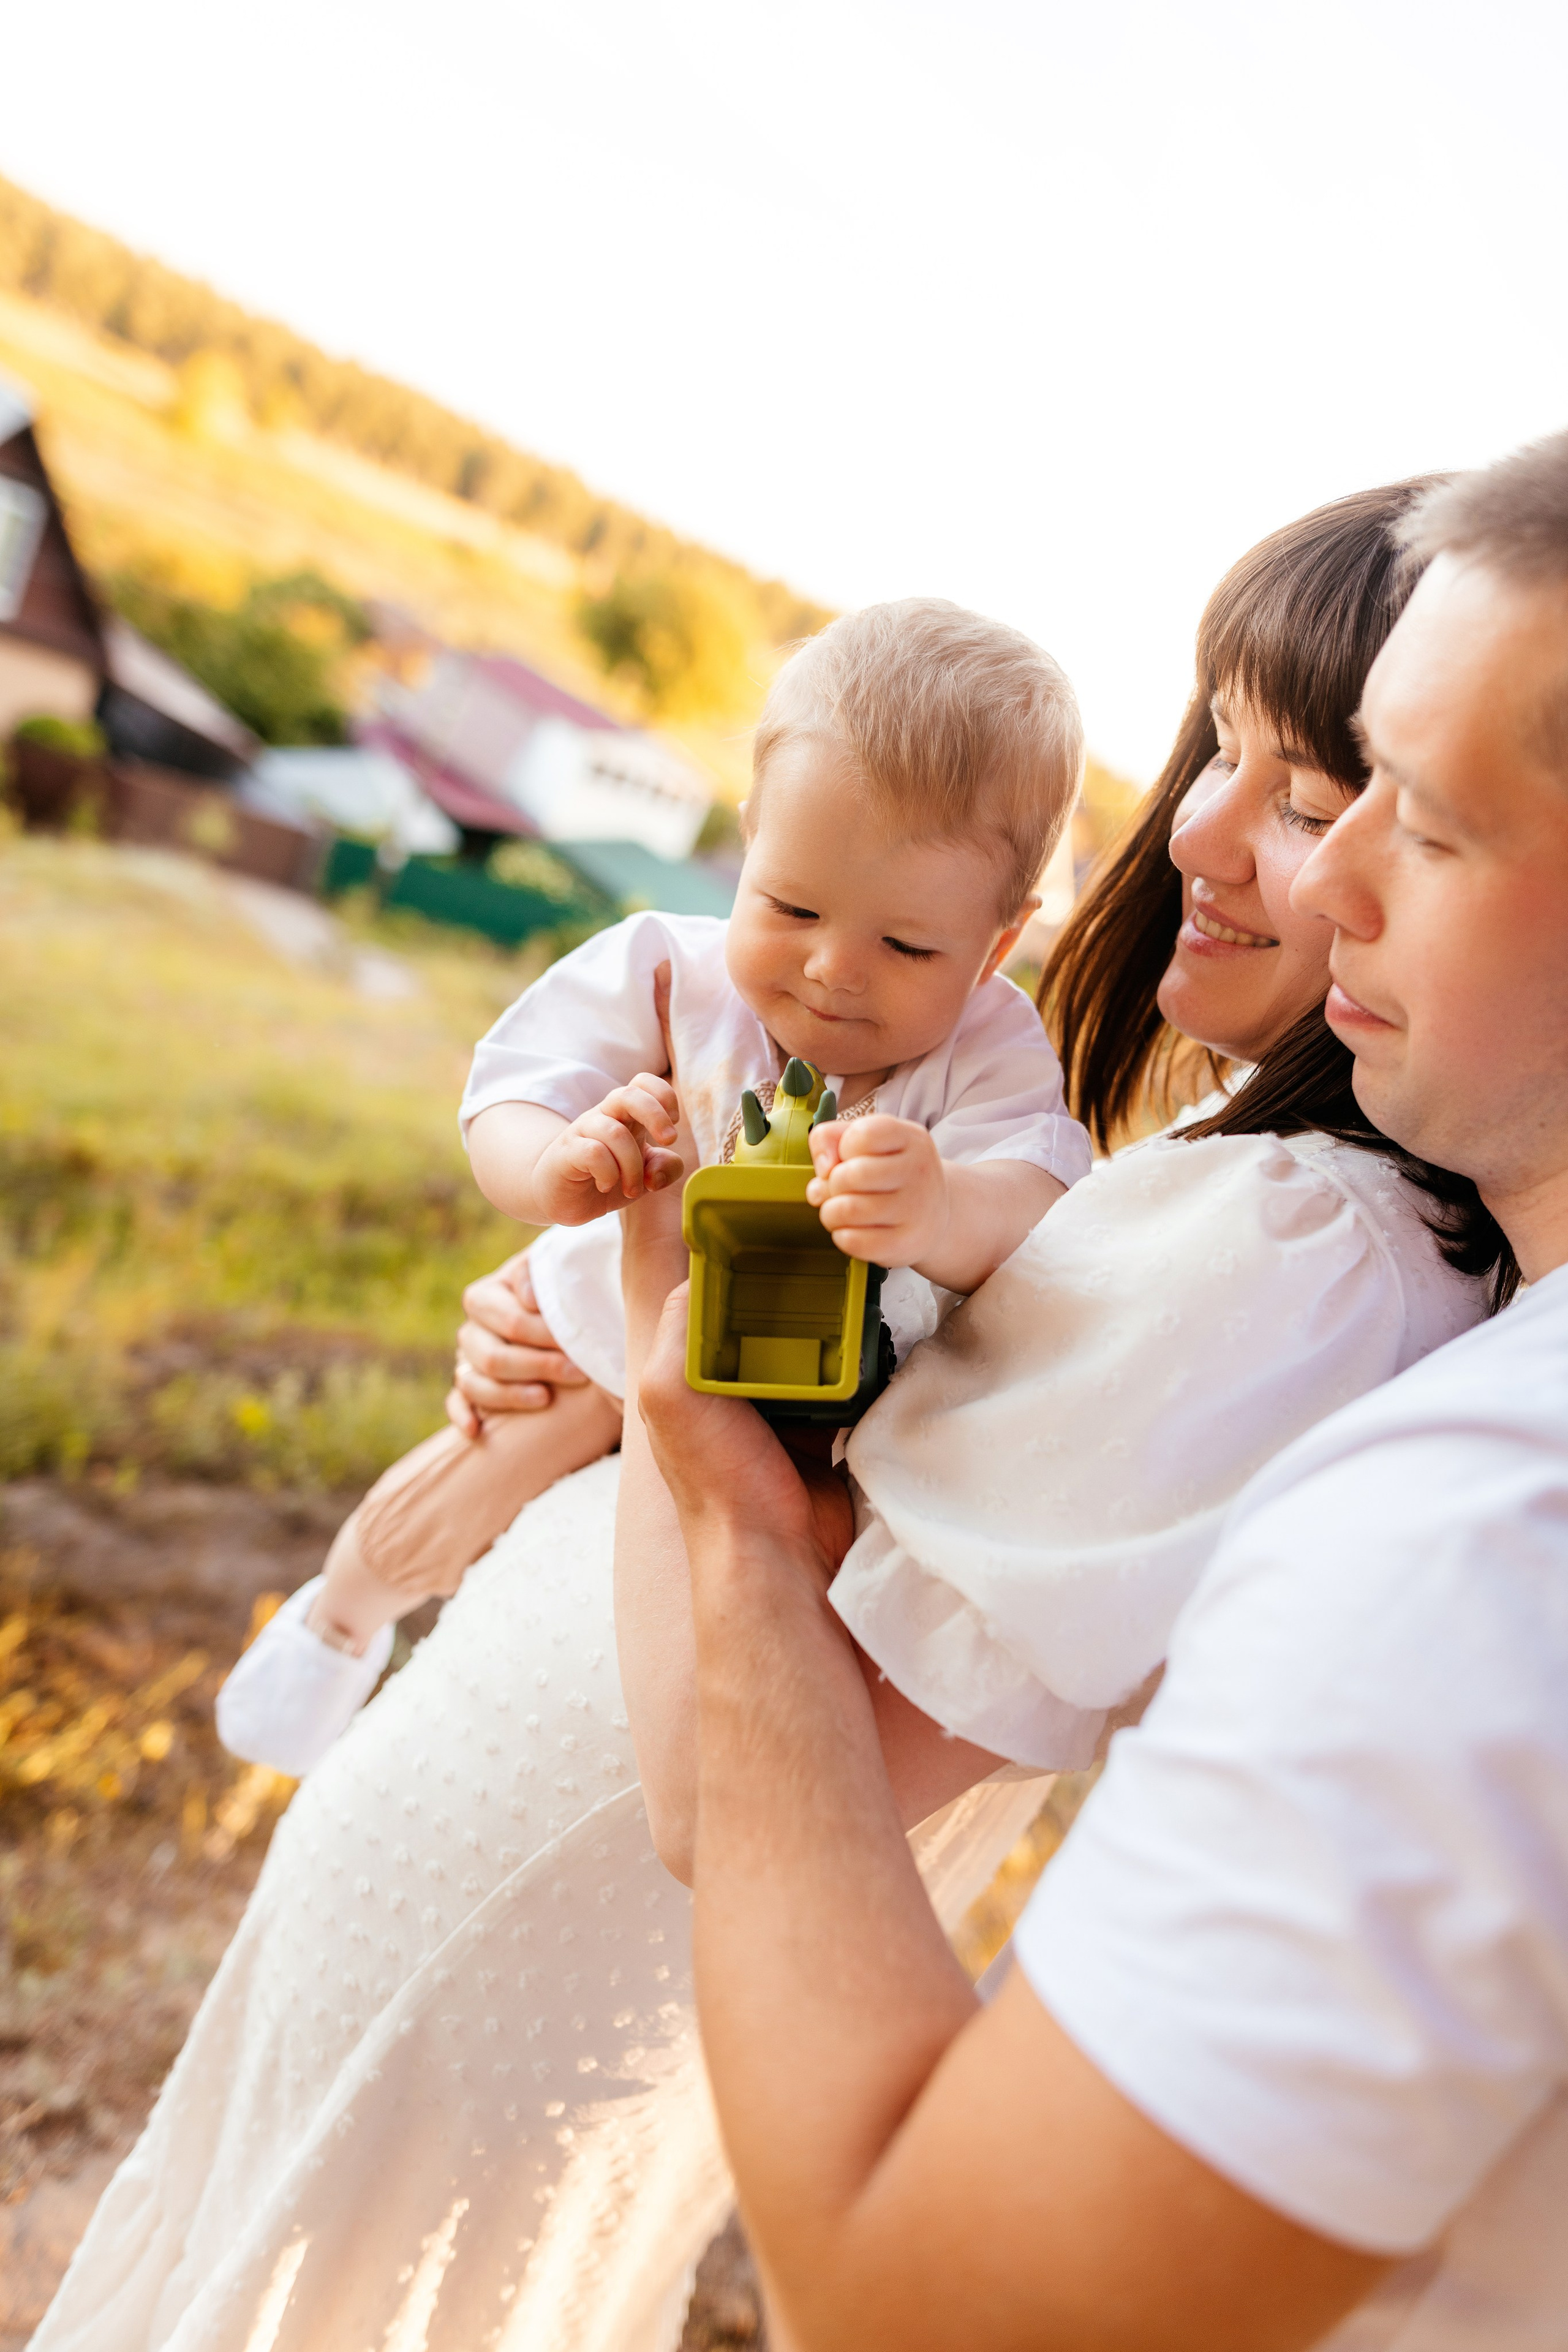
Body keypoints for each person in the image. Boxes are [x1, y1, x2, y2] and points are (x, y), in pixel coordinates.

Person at [32, 480, 1498, 2352]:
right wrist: (598, 1329)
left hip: (558, 1909)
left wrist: (656, 1321)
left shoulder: (1309, 1242)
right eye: (1219, 743)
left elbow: (747, 1771)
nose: (1209, 829)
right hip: (502, 1834)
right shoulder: (1242, 1161)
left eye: (1309, 795)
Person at [635, 431, 1568, 2351]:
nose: (1314, 876)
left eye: (1419, 814)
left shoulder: (1479, 1540)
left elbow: (924, 2310)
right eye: (1340, 779)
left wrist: (725, 1511)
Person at [217, 600, 1091, 1777]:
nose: (834, 971)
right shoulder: (670, 974)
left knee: (681, 1630)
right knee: (461, 1490)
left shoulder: (989, 1050)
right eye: (792, 907)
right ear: (748, 844)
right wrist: (559, 1169)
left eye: (910, 948)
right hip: (593, 1346)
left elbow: (1035, 1199)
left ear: (996, 943)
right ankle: (342, 1620)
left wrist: (943, 1210)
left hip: (806, 1421)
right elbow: (511, 1089)